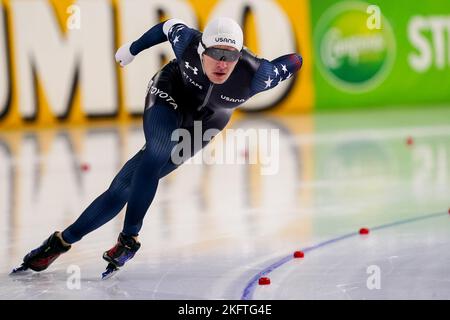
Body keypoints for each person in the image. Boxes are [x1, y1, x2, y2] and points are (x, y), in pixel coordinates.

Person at [13, 17, 303, 277]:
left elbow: (295, 59)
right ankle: (129, 238)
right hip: (169, 92)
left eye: (230, 56)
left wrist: (283, 64)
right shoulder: (187, 41)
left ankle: (61, 242)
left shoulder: (257, 75)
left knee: (124, 187)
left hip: (207, 121)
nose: (222, 63)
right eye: (215, 53)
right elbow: (167, 27)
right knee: (157, 151)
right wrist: (133, 48)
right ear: (202, 50)